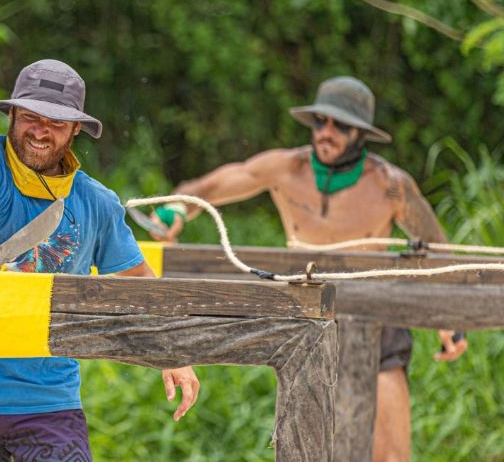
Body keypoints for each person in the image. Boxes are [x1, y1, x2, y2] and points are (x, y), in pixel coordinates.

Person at [150, 76, 468, 462]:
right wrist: (176, 210)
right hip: (305, 321)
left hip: (375, 318)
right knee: (309, 452)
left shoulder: (390, 185)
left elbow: (438, 251)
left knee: (391, 456)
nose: (327, 132)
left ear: (361, 134)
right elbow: (204, 189)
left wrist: (450, 318)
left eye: (340, 125)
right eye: (321, 121)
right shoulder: (285, 168)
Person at [0, 59, 200, 462]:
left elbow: (140, 284)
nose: (40, 131)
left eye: (55, 122)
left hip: (50, 401)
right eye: (31, 117)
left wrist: (172, 350)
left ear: (75, 129)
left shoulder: (96, 203)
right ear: (12, 115)